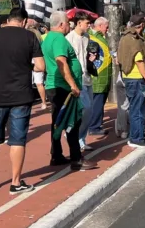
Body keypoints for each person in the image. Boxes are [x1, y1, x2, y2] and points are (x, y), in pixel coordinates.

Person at [0, 7, 45, 193]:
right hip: (21, 95)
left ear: (8, 19)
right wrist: (27, 67)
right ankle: (15, 182)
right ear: (23, 21)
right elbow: (40, 66)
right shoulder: (30, 37)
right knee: (18, 139)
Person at [42, 11, 96, 170]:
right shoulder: (59, 39)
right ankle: (76, 159)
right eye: (67, 22)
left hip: (54, 84)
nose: (69, 25)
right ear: (60, 24)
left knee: (58, 122)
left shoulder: (47, 39)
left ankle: (57, 155)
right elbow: (61, 62)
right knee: (72, 121)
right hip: (63, 86)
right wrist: (72, 84)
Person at [119, 13, 145, 149]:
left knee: (136, 108)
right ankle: (136, 138)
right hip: (135, 78)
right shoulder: (135, 40)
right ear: (142, 25)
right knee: (138, 110)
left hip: (129, 78)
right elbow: (139, 62)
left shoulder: (125, 37)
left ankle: (136, 136)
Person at [80, 17, 113, 139]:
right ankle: (94, 126)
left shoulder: (96, 37)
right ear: (99, 26)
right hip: (98, 76)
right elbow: (93, 57)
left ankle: (95, 124)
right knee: (97, 103)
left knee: (98, 103)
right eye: (106, 26)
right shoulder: (92, 38)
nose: (108, 29)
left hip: (102, 76)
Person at [65, 14, 93, 150]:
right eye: (87, 23)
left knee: (89, 110)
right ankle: (75, 135)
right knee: (85, 108)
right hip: (77, 78)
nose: (89, 25)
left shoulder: (87, 37)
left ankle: (81, 137)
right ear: (79, 23)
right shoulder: (69, 38)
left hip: (88, 77)